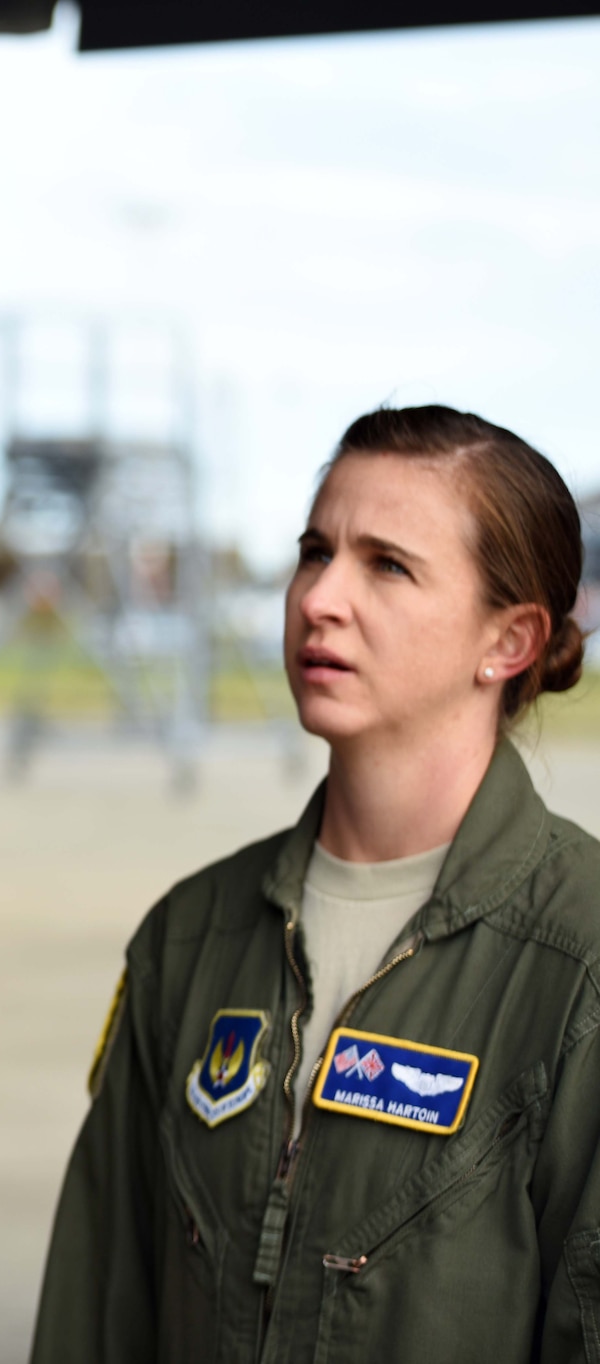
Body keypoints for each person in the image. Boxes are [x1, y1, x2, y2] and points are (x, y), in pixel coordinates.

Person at [31, 406, 600, 1362]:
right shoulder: (190, 936)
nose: (319, 598)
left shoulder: (580, 960)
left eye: (387, 565)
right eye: (313, 551)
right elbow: (97, 1311)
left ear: (508, 642)